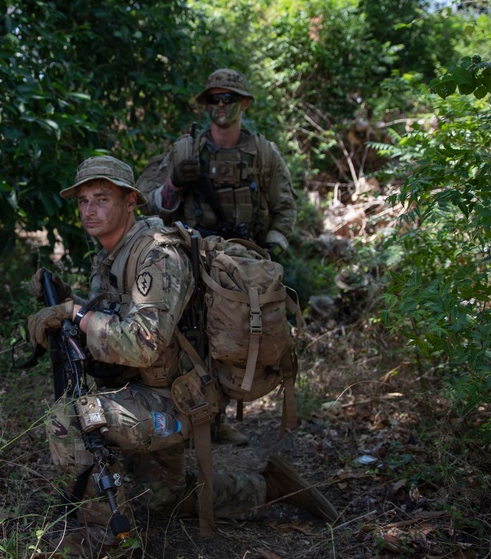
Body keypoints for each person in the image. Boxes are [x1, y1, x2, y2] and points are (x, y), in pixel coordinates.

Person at [26, 155, 335, 557]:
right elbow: (113, 321)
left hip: (177, 399)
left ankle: (108, 543)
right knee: (162, 500)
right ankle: (269, 488)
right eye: (83, 201)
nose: (89, 210)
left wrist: (75, 313)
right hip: (144, 390)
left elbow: (141, 343)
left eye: (101, 198)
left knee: (71, 418)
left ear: (131, 201)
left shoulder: (157, 256)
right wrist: (69, 303)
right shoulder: (109, 258)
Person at [142, 68, 297, 446]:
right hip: (193, 256)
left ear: (244, 103)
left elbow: (285, 206)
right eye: (214, 98)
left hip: (243, 263)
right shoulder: (185, 150)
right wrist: (175, 182)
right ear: (206, 105)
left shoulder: (263, 152)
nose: (221, 106)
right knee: (190, 340)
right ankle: (192, 419)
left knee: (233, 337)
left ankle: (220, 418)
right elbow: (148, 202)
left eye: (228, 98)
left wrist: (272, 249)